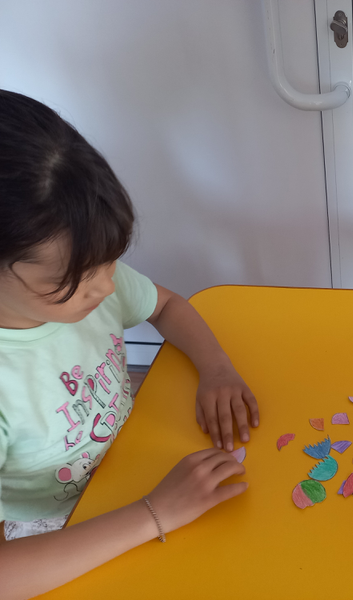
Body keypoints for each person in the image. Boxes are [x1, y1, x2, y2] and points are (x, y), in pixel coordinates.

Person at [0, 89, 261, 599]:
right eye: (73, 281)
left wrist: (216, 369)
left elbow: (168, 306)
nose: (105, 287)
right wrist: (154, 513)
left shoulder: (94, 281)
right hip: (55, 531)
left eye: (109, 262)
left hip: (132, 461)